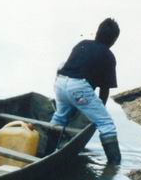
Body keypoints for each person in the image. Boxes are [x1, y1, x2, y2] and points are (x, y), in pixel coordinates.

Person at [50, 18, 122, 164]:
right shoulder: (108, 55)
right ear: (114, 40)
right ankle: (114, 166)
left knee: (59, 118)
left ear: (97, 33)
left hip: (60, 82)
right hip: (78, 87)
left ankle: (47, 152)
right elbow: (104, 89)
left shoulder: (82, 44)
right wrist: (100, 109)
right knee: (106, 124)